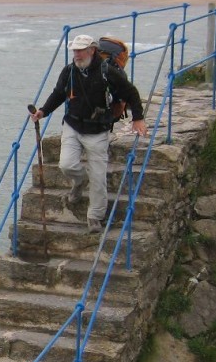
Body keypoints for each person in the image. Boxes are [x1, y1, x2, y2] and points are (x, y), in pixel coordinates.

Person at [29, 33, 148, 234]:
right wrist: (43, 111)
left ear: (92, 50)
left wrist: (138, 118)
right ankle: (79, 180)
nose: (76, 54)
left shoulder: (107, 72)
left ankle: (95, 216)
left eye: (80, 50)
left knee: (99, 177)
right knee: (66, 165)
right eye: (74, 50)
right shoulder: (69, 72)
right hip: (73, 125)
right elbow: (58, 93)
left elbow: (131, 93)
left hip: (97, 130)